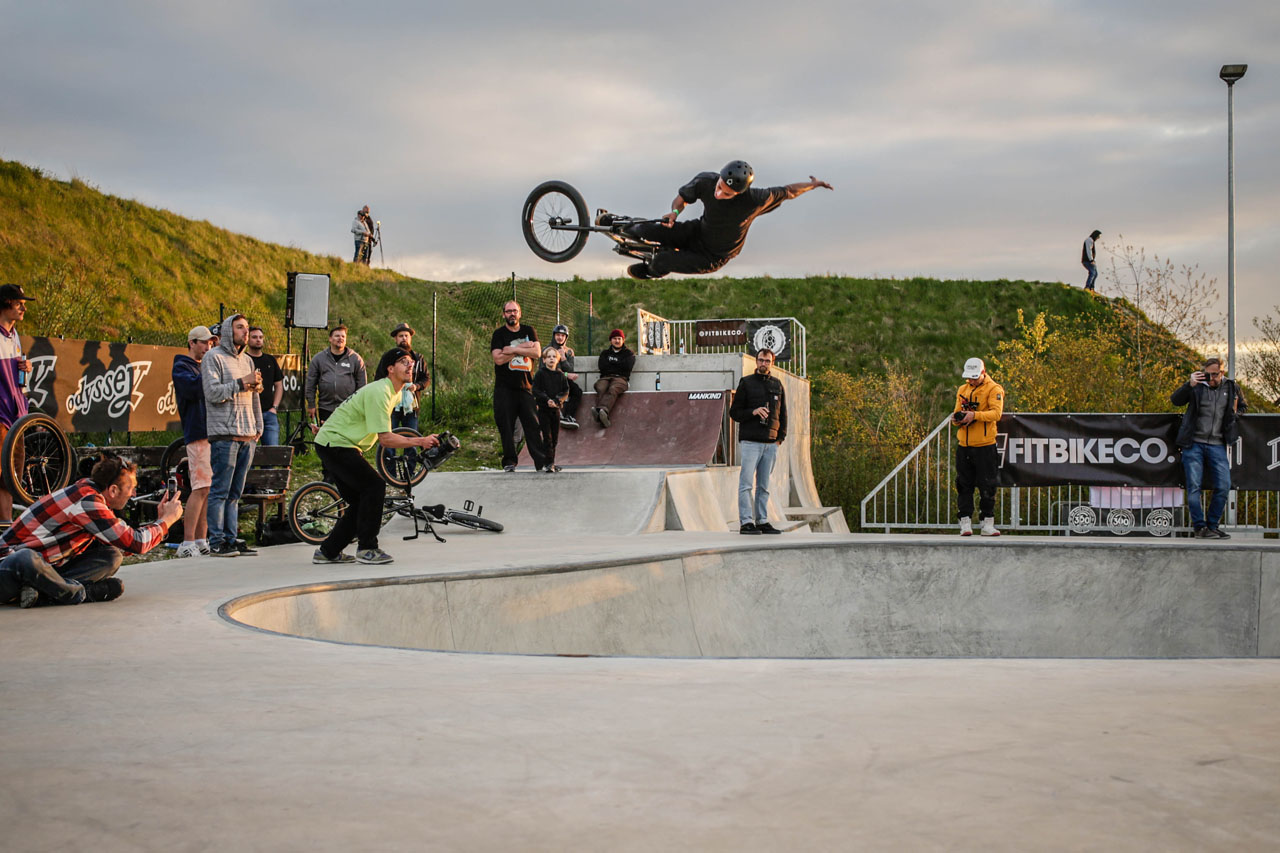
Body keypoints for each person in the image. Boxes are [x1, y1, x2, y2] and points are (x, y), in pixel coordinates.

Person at [0, 454, 183, 607]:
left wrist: (160, 522)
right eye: (131, 488)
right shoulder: (87, 502)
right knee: (26, 558)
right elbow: (136, 543)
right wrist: (166, 521)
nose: (133, 494)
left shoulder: (93, 497)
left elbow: (126, 544)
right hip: (8, 569)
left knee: (111, 556)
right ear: (113, 490)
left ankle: (44, 594)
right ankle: (81, 594)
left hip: (46, 571)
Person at [602, 160, 833, 280]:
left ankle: (651, 271)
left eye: (727, 194)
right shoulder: (706, 181)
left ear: (739, 193)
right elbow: (682, 199)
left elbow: (789, 191)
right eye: (720, 187)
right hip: (698, 231)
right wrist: (675, 213)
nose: (719, 193)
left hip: (713, 256)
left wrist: (813, 185)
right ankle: (621, 222)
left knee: (663, 261)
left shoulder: (756, 199)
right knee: (649, 229)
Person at [313, 352, 440, 565]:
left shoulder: (395, 393)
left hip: (336, 444)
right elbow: (386, 439)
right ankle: (367, 548)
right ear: (390, 368)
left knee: (360, 500)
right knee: (374, 486)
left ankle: (328, 551)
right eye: (403, 362)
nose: (410, 366)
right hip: (336, 444)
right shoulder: (380, 391)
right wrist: (420, 441)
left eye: (411, 362)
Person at [201, 313, 264, 558]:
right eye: (240, 327)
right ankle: (216, 541)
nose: (245, 332)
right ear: (228, 331)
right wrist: (241, 383)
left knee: (236, 493)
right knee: (220, 491)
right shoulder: (213, 357)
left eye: (246, 328)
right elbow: (212, 393)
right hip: (224, 434)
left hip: (247, 434)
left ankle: (231, 538)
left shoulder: (247, 360)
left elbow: (254, 395)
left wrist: (258, 425)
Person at [1171, 357, 1248, 539]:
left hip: (1217, 444)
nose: (1211, 378)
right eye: (1208, 374)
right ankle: (1200, 527)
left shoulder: (1232, 387)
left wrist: (1233, 416)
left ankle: (1212, 526)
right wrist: (1189, 384)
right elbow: (1175, 400)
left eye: (1215, 374)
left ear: (1222, 372)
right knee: (1194, 487)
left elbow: (1243, 407)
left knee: (1224, 485)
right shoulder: (1197, 385)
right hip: (1193, 443)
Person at [730, 348, 787, 534]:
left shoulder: (777, 384)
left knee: (764, 486)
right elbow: (734, 412)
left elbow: (783, 414)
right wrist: (753, 412)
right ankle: (746, 522)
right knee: (746, 484)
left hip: (771, 444)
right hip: (750, 443)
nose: (764, 363)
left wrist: (780, 439)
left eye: (767, 361)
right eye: (761, 360)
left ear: (772, 363)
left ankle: (762, 520)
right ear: (756, 361)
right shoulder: (746, 382)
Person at [490, 301, 548, 472]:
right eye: (508, 311)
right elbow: (498, 359)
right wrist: (523, 347)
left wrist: (513, 349)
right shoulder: (499, 334)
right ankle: (509, 461)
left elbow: (537, 353)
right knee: (506, 427)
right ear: (504, 314)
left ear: (520, 313)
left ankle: (541, 462)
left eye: (515, 311)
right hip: (504, 388)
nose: (512, 314)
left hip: (525, 387)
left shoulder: (529, 331)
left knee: (533, 426)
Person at [171, 325, 214, 557]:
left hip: (211, 432)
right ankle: (186, 542)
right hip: (197, 432)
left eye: (211, 343)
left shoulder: (201, 367)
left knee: (207, 488)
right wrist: (209, 370)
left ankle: (201, 538)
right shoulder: (181, 366)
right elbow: (194, 390)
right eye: (204, 342)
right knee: (199, 488)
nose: (208, 347)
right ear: (192, 343)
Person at [952, 357, 1005, 537]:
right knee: (963, 485)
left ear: (983, 373)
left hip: (985, 446)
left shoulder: (994, 389)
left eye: (974, 377)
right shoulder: (962, 389)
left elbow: (996, 413)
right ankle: (965, 521)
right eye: (969, 377)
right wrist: (958, 419)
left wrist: (974, 415)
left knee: (987, 485)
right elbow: (957, 411)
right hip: (964, 445)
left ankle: (987, 523)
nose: (971, 381)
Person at [0, 283, 34, 524]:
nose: (24, 308)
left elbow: (19, 379)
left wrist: (26, 368)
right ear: (5, 303)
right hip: (1, 413)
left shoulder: (14, 335)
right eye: (19, 303)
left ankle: (5, 526)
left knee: (11, 477)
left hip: (17, 414)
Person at [305, 325, 367, 427]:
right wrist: (311, 405)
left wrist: (359, 406)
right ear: (330, 339)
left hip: (348, 408)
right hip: (326, 408)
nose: (340, 338)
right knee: (327, 435)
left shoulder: (355, 359)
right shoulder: (318, 359)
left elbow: (362, 386)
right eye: (337, 336)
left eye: (343, 336)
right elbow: (310, 384)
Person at [373, 322, 429, 436]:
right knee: (389, 435)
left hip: (411, 406)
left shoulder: (418, 358)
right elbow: (378, 378)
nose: (404, 338)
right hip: (391, 404)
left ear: (410, 338)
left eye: (406, 336)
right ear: (395, 339)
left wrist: (416, 386)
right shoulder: (388, 357)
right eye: (401, 336)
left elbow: (426, 378)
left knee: (412, 437)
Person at [532, 347, 569, 474]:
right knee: (547, 437)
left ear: (557, 359)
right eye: (549, 357)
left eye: (554, 357)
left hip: (555, 410)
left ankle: (550, 461)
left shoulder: (561, 375)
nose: (551, 359)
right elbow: (535, 389)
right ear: (544, 360)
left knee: (554, 438)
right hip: (543, 409)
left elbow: (565, 391)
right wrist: (546, 399)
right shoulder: (540, 374)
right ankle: (549, 463)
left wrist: (557, 401)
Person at [246, 326, 284, 446]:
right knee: (248, 452)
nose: (258, 340)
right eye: (254, 337)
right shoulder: (243, 360)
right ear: (247, 339)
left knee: (272, 452)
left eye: (260, 337)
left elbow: (279, 384)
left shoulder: (270, 360)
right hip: (248, 414)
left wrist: (275, 407)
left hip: (269, 413)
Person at [592, 329, 634, 428]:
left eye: (619, 338)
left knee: (613, 389)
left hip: (621, 379)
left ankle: (601, 411)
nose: (617, 341)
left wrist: (612, 364)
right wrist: (618, 364)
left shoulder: (628, 353)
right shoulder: (605, 353)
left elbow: (627, 367)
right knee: (600, 387)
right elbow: (602, 367)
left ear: (623, 340)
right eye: (614, 338)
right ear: (611, 340)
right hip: (606, 377)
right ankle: (603, 416)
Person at [547, 323, 581, 429]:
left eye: (562, 335)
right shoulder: (548, 350)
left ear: (566, 337)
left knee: (577, 391)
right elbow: (551, 370)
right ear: (554, 335)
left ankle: (569, 415)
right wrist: (566, 374)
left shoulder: (569, 351)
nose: (560, 337)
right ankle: (557, 412)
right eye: (558, 335)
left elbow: (570, 369)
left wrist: (563, 357)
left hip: (564, 379)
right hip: (549, 379)